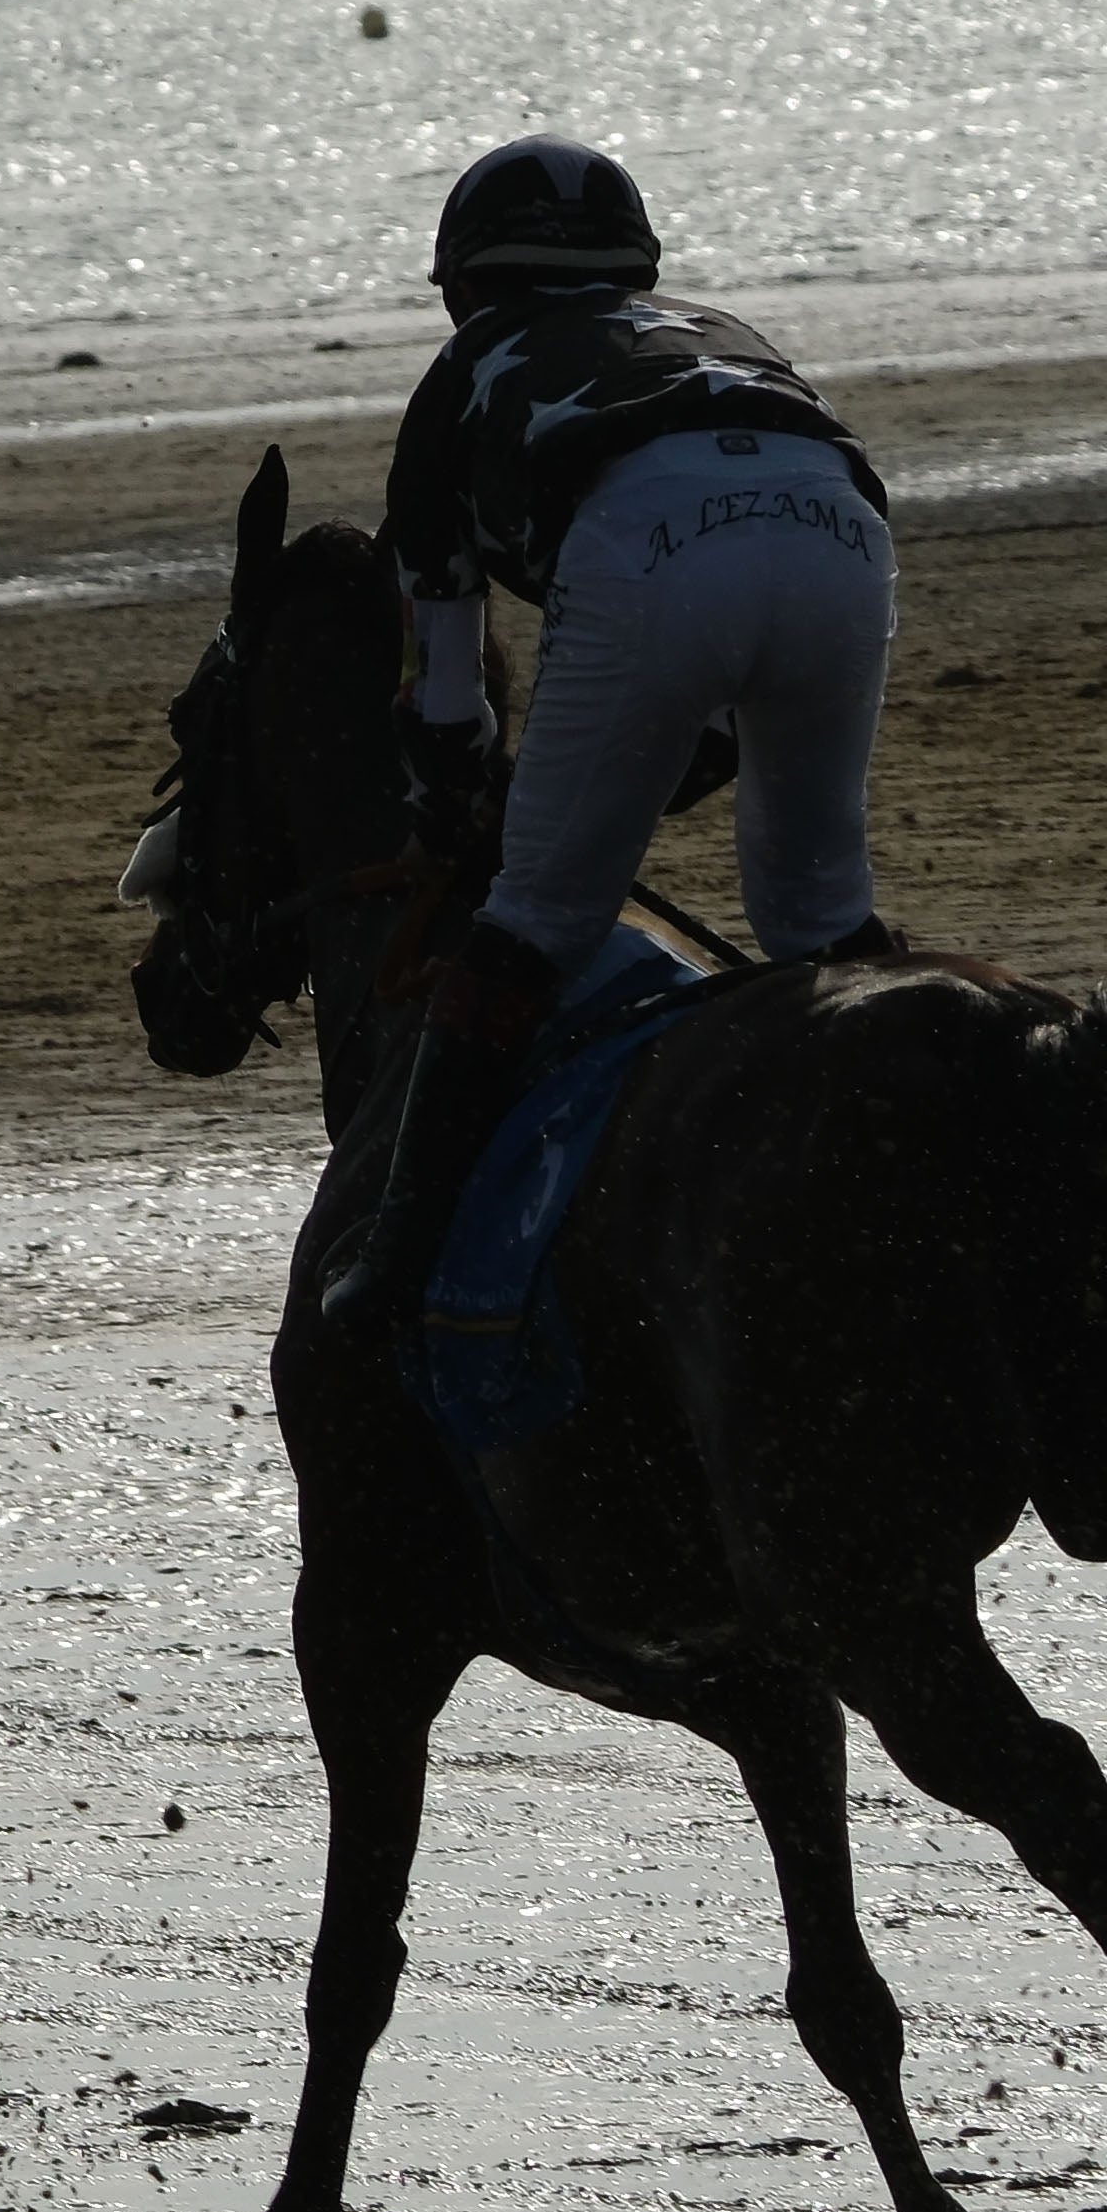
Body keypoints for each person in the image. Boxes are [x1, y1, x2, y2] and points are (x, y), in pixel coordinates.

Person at [316, 137, 898, 1337]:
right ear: (636, 263)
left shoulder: (465, 370)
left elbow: (439, 688)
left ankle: (398, 1259)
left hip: (646, 544)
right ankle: (933, 1168)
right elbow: (721, 720)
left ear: (466, 281)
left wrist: (466, 804)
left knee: (532, 924)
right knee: (819, 916)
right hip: (845, 535)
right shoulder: (722, 326)